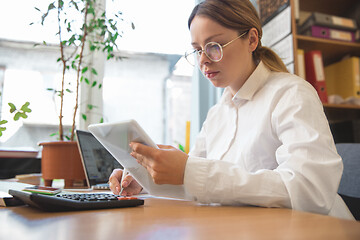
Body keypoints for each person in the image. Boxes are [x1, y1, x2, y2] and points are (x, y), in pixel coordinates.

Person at [108, 0, 354, 220]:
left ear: (252, 40)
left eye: (214, 45)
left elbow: (311, 190)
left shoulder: (291, 94)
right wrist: (145, 181)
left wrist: (189, 171)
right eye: (197, 49)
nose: (203, 59)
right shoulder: (217, 114)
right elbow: (192, 184)